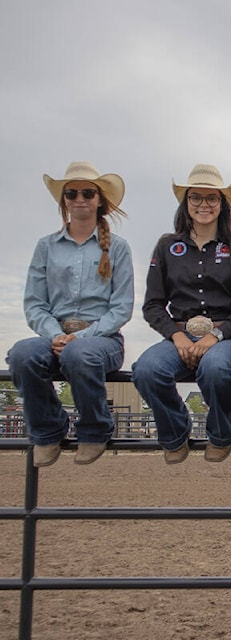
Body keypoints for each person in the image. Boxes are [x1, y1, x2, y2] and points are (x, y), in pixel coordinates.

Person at [6, 161, 134, 467]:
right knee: (22, 355)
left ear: (99, 199)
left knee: (80, 354)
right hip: (54, 333)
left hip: (102, 338)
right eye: (71, 193)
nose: (79, 198)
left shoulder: (117, 248)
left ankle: (94, 428)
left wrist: (79, 337)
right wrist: (56, 335)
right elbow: (35, 302)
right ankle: (48, 429)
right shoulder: (46, 247)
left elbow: (121, 307)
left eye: (87, 193)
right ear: (63, 200)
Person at [132, 165, 231, 464]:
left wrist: (216, 335)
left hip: (225, 336)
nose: (204, 205)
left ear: (223, 204)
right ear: (186, 203)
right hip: (179, 334)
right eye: (196, 197)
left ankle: (222, 434)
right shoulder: (166, 246)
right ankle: (175, 430)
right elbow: (153, 305)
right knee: (146, 369)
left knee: (215, 368)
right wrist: (176, 337)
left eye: (212, 198)